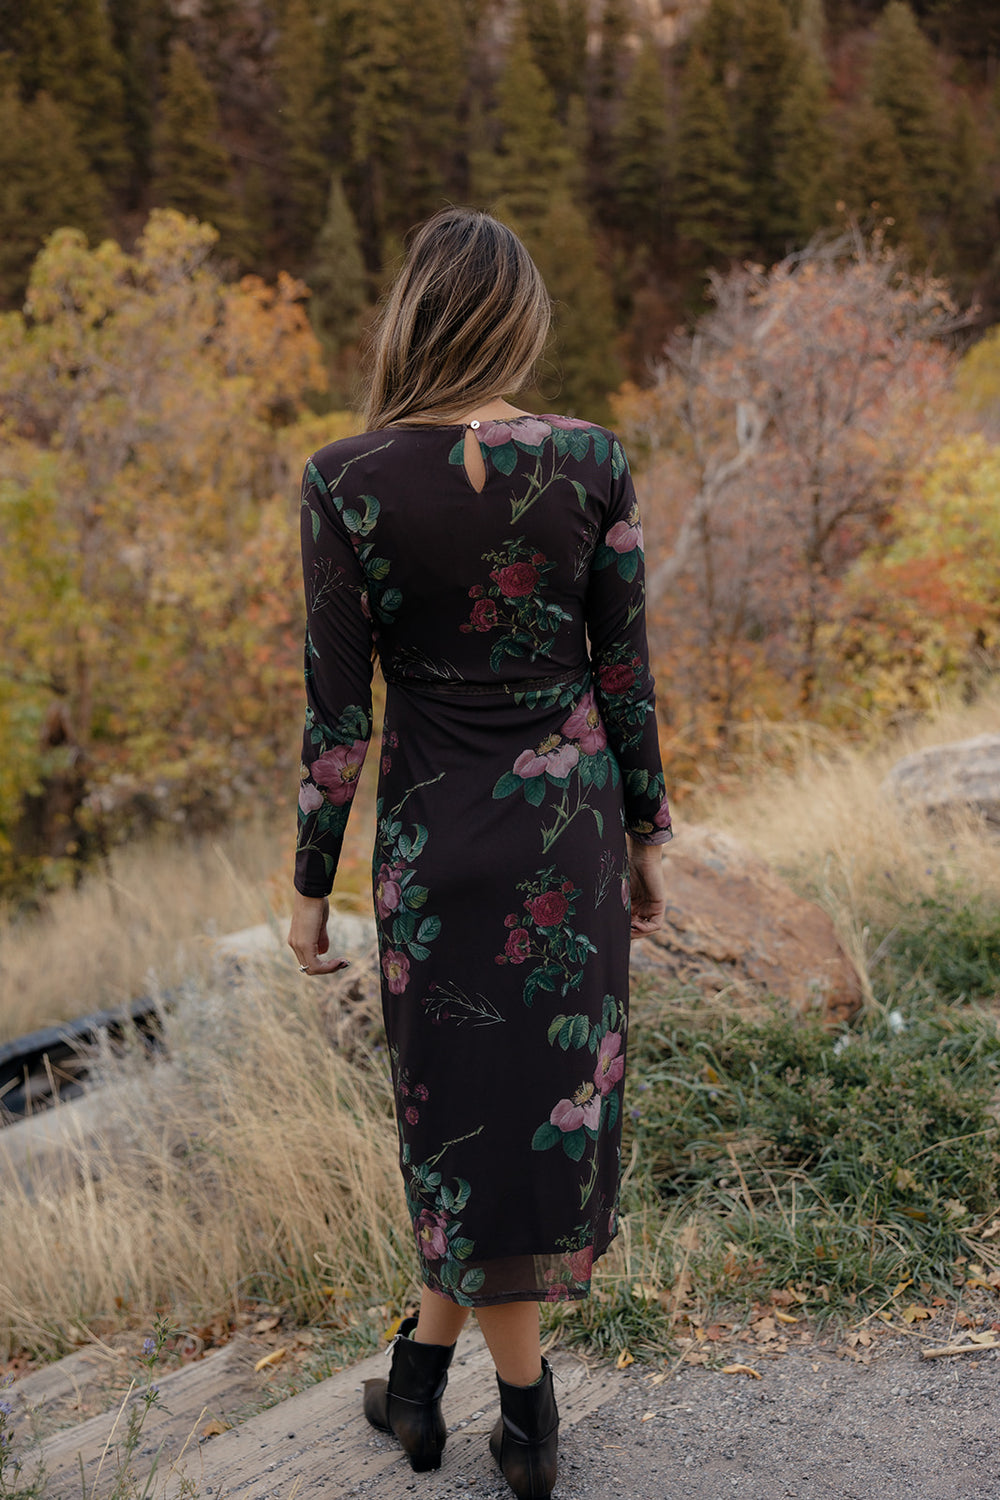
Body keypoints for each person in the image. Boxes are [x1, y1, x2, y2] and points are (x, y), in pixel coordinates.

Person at [286, 207, 670, 1500]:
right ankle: (521, 1415)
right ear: (519, 321)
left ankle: (438, 1388)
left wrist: (309, 886)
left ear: (413, 317)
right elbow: (626, 678)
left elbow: (336, 718)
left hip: (433, 847)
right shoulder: (592, 461)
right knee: (518, 1129)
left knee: (461, 1123)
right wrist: (649, 835)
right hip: (570, 846)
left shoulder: (344, 478)